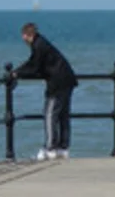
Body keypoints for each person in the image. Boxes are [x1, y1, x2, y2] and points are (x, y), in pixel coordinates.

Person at [14, 22, 78, 160]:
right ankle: (63, 147)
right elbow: (34, 64)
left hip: (57, 83)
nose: (23, 40)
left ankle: (50, 148)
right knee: (63, 115)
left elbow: (34, 66)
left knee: (50, 114)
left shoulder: (39, 46)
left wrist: (16, 73)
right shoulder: (41, 43)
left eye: (23, 37)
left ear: (27, 35)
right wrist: (18, 71)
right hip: (67, 79)